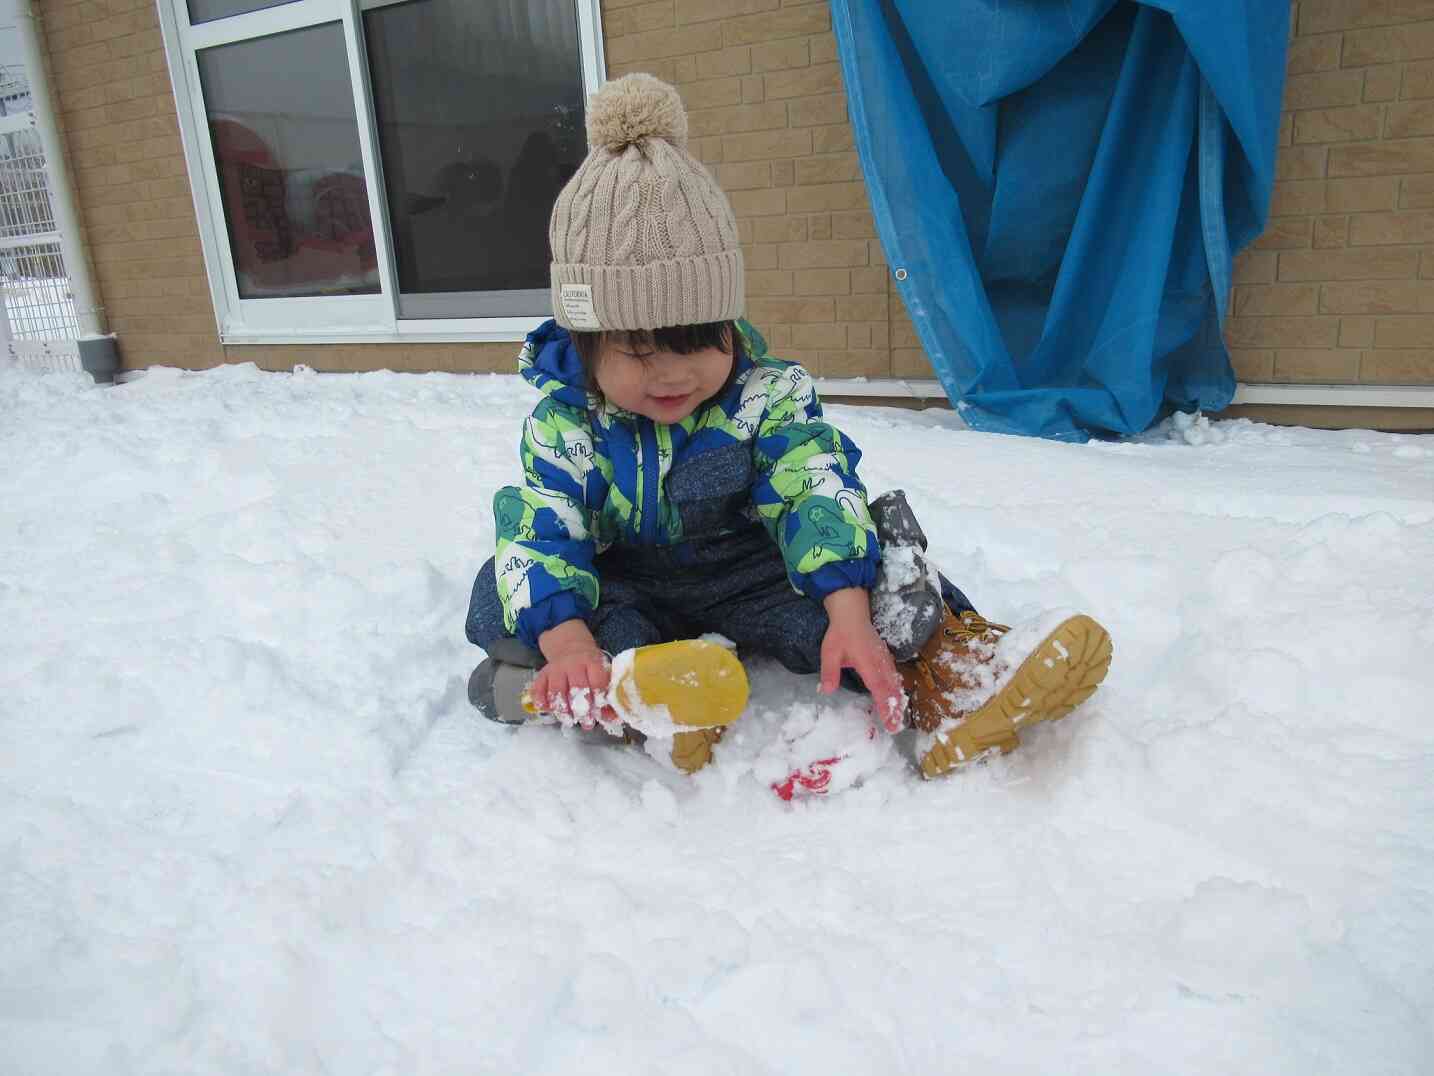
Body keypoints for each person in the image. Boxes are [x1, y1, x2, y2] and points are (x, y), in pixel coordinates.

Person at [464, 73, 1111, 778]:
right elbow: (545, 525)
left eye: (699, 343)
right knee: (507, 589)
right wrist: (565, 640)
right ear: (585, 340)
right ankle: (648, 693)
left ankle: (953, 675)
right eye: (641, 351)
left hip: (751, 569)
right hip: (629, 584)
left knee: (868, 568)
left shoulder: (766, 396)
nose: (673, 374)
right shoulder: (566, 424)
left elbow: (812, 487)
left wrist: (848, 606)